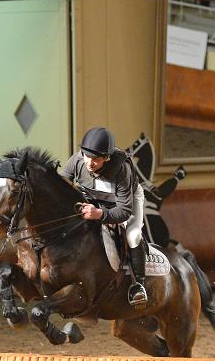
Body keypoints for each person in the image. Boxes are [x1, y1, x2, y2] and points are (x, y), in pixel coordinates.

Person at [61, 127, 149, 306]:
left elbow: (124, 210)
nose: (90, 163)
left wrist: (99, 214)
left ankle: (138, 284)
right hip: (93, 199)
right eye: (87, 156)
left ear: (106, 158)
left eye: (96, 159)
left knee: (132, 235)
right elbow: (62, 187)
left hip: (126, 201)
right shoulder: (77, 160)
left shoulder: (121, 168)